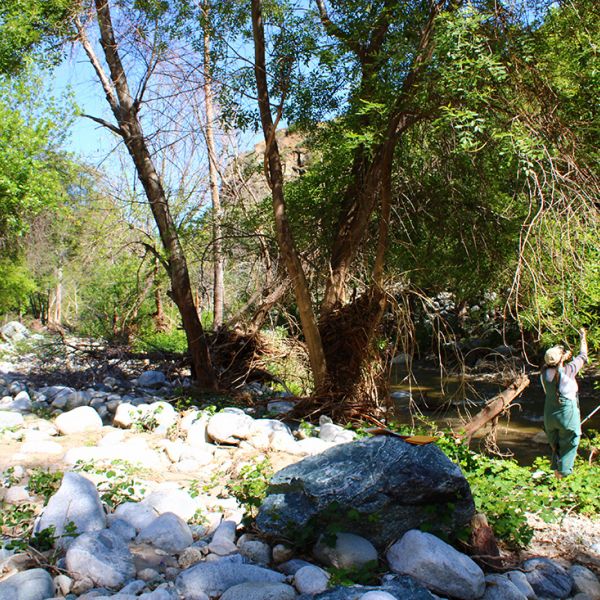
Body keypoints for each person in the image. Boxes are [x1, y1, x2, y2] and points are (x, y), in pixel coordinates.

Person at [541, 328, 588, 478]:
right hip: (567, 414)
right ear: (561, 359)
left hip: (550, 416)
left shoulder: (543, 373)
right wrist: (582, 337)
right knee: (570, 443)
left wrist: (562, 359)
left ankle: (556, 475)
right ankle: (564, 477)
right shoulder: (569, 371)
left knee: (556, 447)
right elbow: (583, 355)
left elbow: (555, 370)